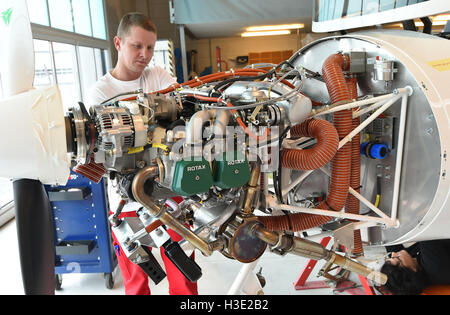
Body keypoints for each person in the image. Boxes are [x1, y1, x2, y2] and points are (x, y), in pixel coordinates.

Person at [86, 12, 198, 296]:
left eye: (150, 47)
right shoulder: (101, 93)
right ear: (118, 43)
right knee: (136, 283)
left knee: (184, 279)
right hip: (128, 201)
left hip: (171, 194)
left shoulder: (158, 75)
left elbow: (184, 117)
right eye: (137, 46)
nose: (145, 55)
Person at [379, 239, 450, 295]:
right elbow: (425, 228)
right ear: (411, 271)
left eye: (391, 257)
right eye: (396, 258)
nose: (393, 253)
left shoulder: (411, 263)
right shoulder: (433, 264)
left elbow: (391, 243)